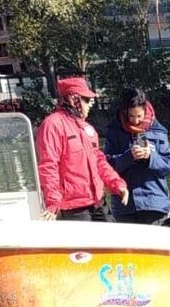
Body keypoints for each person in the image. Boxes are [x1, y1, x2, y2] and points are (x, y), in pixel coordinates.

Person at [35, 76, 128, 221]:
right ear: (74, 99)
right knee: (85, 244)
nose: (90, 104)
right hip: (73, 208)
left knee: (113, 241)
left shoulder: (87, 128)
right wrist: (53, 203)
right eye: (87, 100)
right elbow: (48, 166)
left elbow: (99, 161)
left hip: (98, 201)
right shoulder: (52, 125)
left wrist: (117, 183)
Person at [103, 88, 170, 225]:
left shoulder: (159, 131)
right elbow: (105, 166)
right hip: (125, 206)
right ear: (124, 112)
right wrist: (129, 156)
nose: (136, 121)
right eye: (131, 116)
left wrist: (151, 156)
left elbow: (169, 166)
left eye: (139, 116)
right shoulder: (114, 132)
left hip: (154, 203)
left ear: (146, 111)